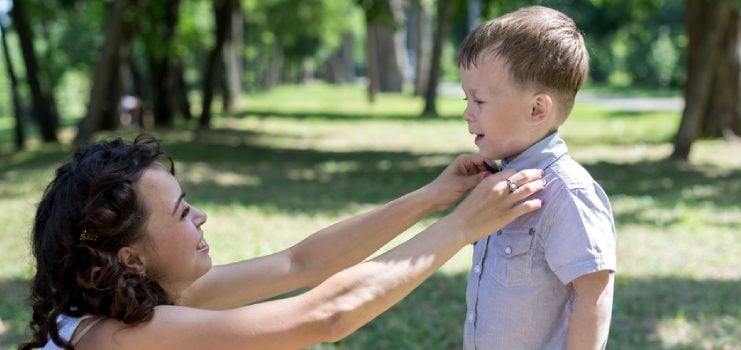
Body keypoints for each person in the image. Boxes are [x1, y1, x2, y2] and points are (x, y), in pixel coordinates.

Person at [20, 134, 545, 350]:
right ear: (130, 257)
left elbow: (300, 263)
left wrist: (431, 197)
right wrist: (460, 228)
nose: (200, 217)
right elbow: (326, 316)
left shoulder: (129, 300)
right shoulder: (121, 338)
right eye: (181, 213)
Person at [458, 6, 616, 350]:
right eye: (466, 98)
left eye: (479, 100)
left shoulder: (567, 193)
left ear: (537, 110)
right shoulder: (497, 184)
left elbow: (594, 295)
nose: (467, 113)